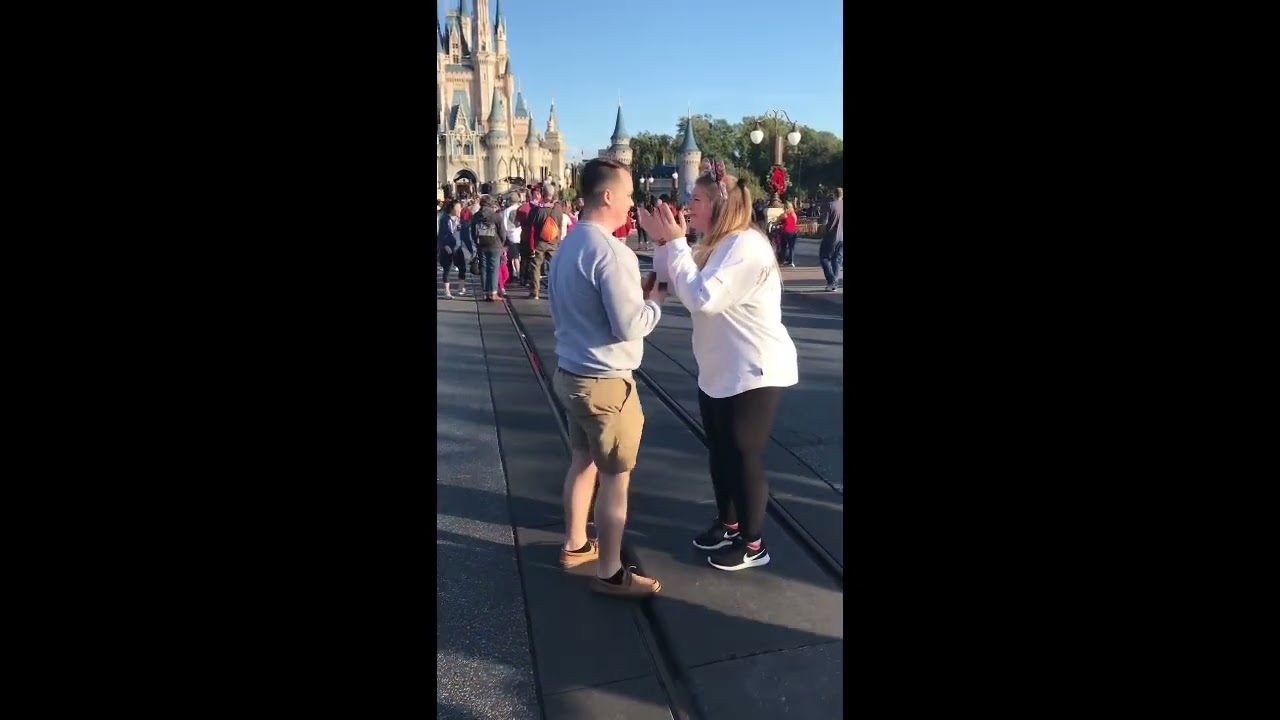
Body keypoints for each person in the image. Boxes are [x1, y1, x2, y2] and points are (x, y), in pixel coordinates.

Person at [640, 158, 798, 572]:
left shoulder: (745, 245)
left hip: (754, 369)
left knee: (742, 452)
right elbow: (673, 280)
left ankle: (753, 543)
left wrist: (674, 244)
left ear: (719, 205)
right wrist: (662, 243)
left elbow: (703, 299)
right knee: (720, 451)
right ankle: (729, 524)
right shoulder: (714, 242)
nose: (687, 207)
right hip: (718, 368)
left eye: (694, 199)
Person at [549, 157, 665, 597]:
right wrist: (656, 303)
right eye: (631, 194)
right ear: (609, 195)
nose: (634, 203)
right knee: (616, 478)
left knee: (582, 463)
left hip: (572, 374)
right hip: (607, 384)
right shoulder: (611, 252)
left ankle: (576, 543)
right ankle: (612, 572)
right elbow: (628, 326)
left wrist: (636, 298)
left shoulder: (570, 244)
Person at [523, 181, 562, 300]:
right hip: (553, 241)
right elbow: (560, 224)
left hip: (539, 242)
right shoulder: (558, 209)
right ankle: (557, 291)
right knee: (555, 267)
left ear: (543, 193)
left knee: (536, 266)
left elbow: (530, 225)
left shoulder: (537, 210)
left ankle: (535, 292)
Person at [437, 200, 474, 299]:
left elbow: (466, 237)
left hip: (457, 247)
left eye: (460, 208)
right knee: (447, 269)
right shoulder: (444, 219)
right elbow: (441, 235)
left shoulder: (461, 221)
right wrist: (445, 245)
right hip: (447, 248)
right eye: (457, 208)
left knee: (462, 268)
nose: (459, 210)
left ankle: (461, 288)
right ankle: (447, 292)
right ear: (452, 208)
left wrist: (472, 250)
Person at [472, 195, 505, 301]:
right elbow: (502, 232)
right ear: (491, 204)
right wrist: (502, 243)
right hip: (495, 244)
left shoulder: (476, 216)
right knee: (494, 268)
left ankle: (485, 292)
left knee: (484, 268)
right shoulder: (496, 216)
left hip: (481, 244)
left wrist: (476, 242)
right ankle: (493, 293)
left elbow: (473, 231)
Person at [819, 187, 844, 291]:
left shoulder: (831, 205)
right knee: (837, 260)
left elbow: (824, 222)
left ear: (834, 194)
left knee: (824, 258)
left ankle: (832, 280)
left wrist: (822, 231)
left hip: (831, 236)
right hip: (842, 237)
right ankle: (834, 284)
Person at [502, 191, 522, 289]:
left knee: (512, 258)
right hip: (521, 235)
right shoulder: (521, 208)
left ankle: (513, 274)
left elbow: (504, 225)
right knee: (517, 256)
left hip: (511, 236)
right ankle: (519, 273)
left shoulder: (506, 211)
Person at [780, 201, 799, 267]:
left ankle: (783, 260)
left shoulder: (785, 215)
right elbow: (795, 222)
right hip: (794, 232)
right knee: (791, 247)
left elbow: (778, 220)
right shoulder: (794, 214)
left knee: (783, 246)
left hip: (786, 232)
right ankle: (791, 261)